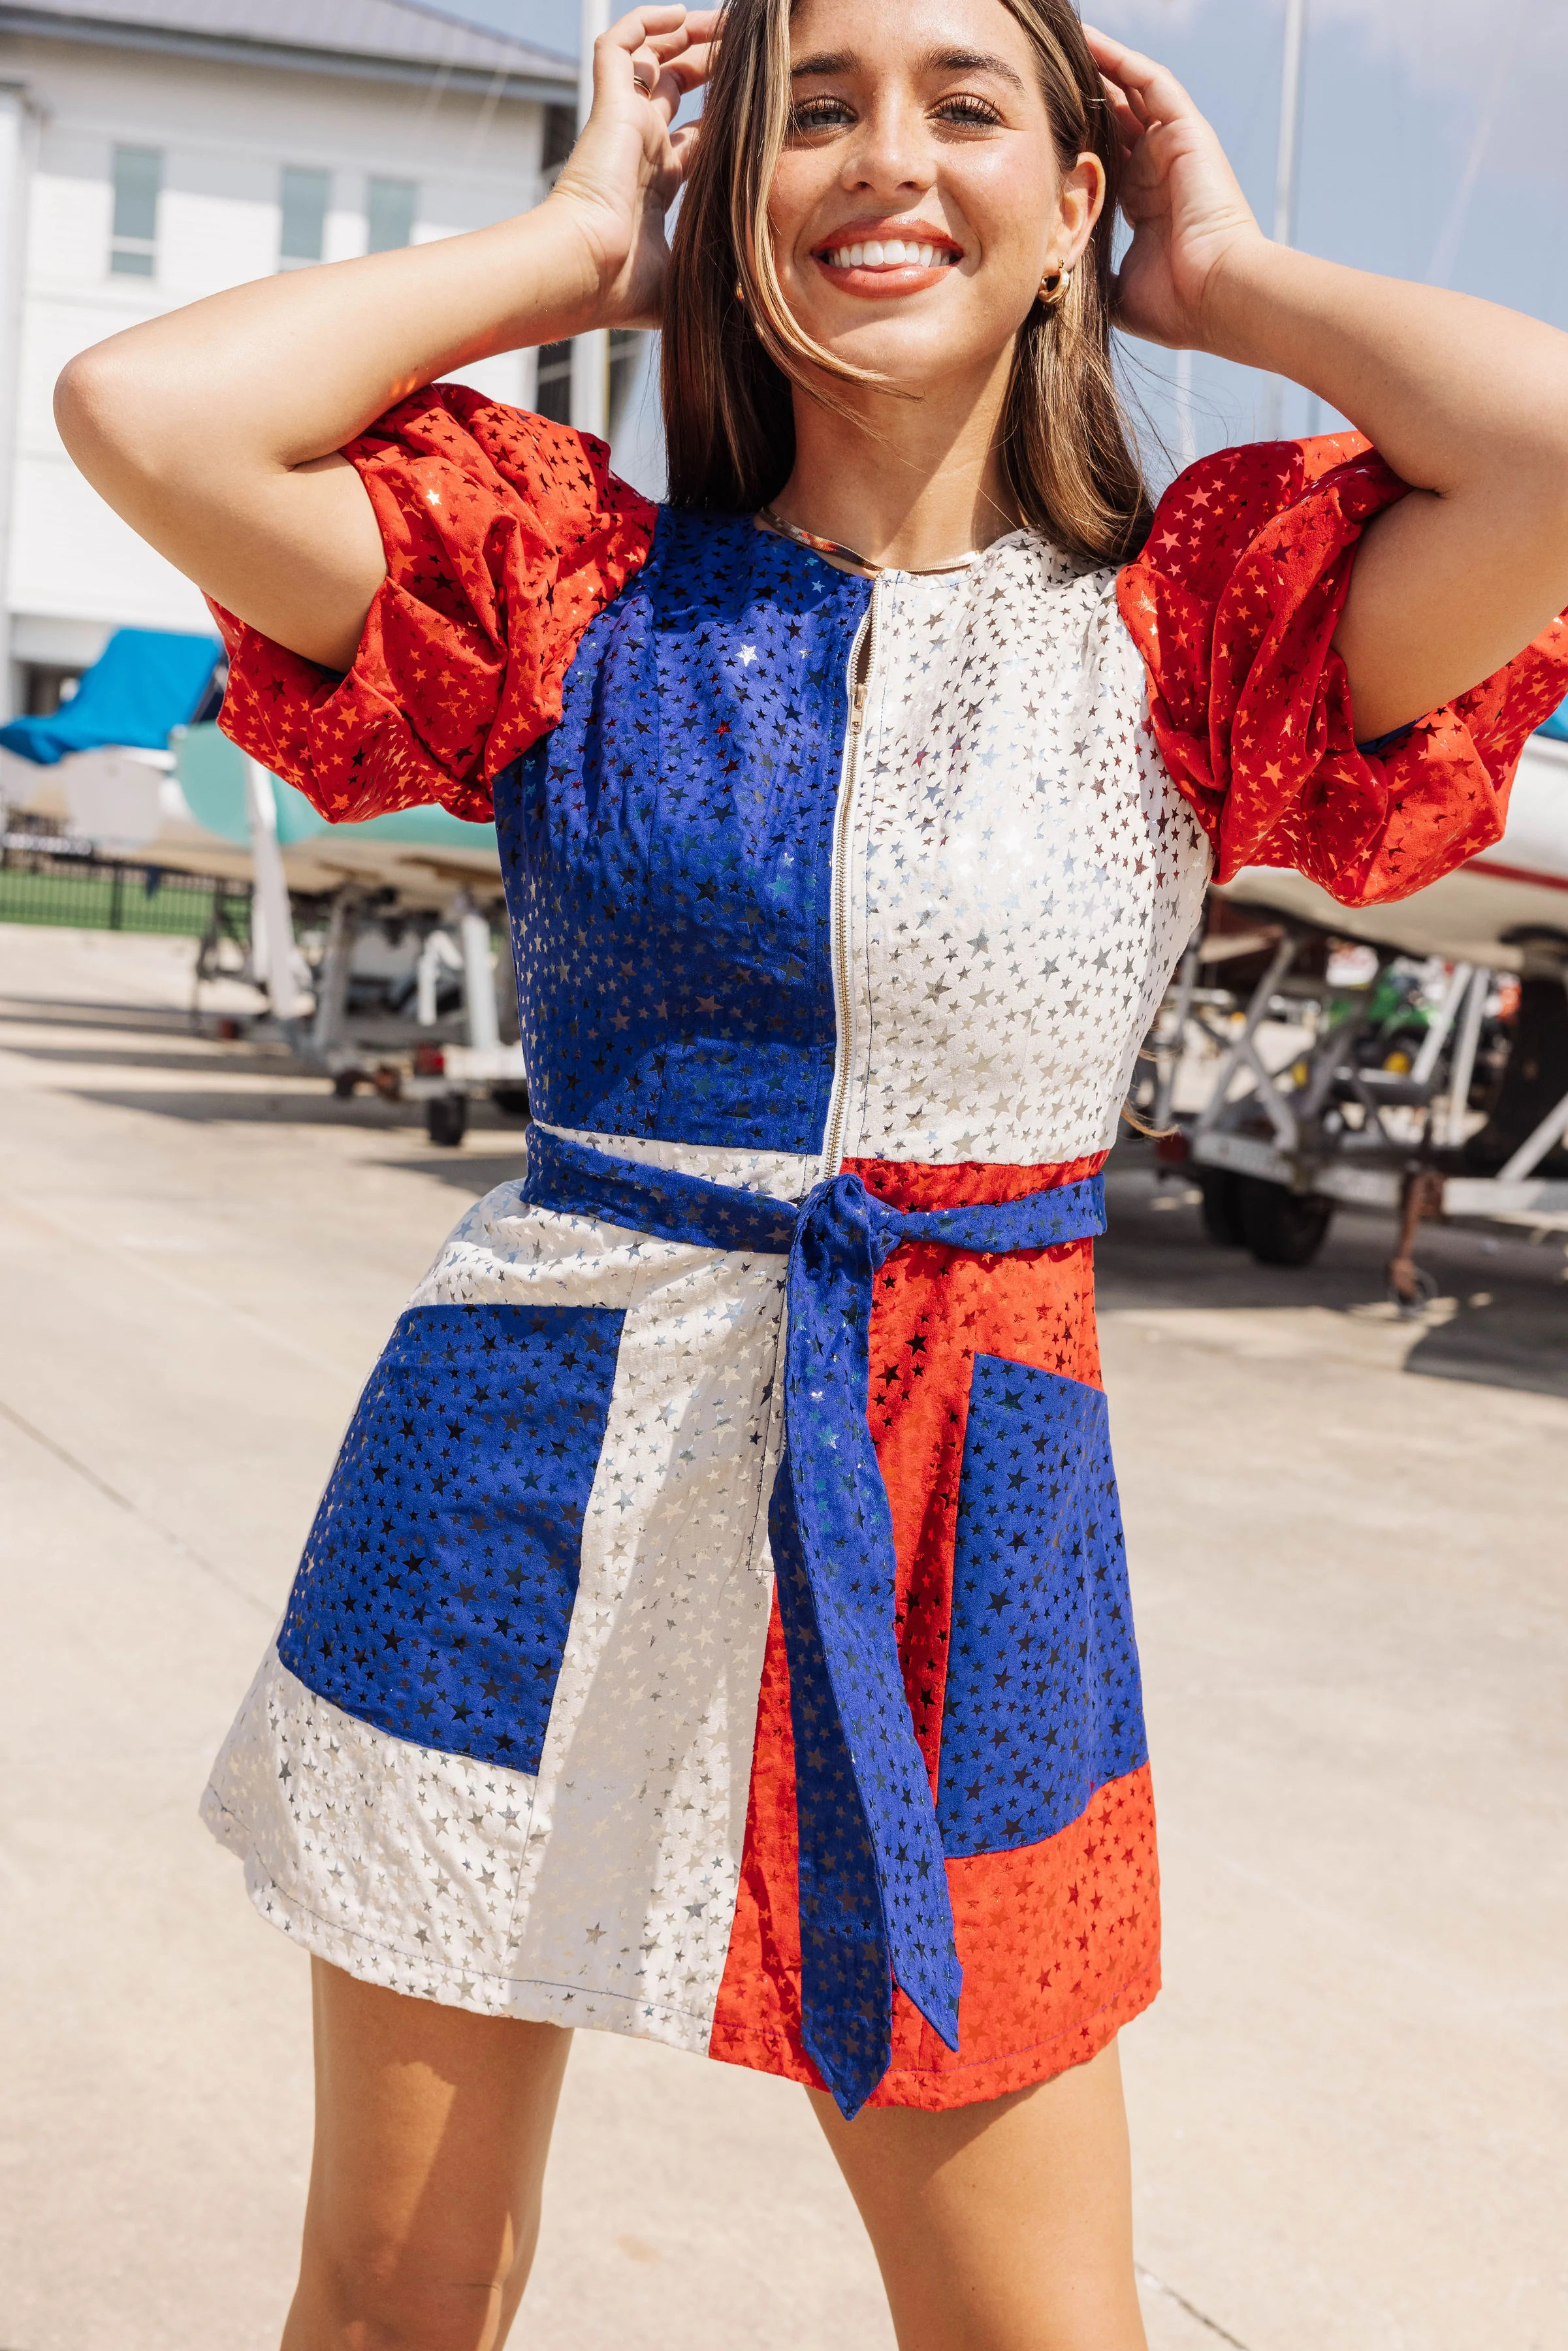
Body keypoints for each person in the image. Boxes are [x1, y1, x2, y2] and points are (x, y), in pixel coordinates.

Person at [57, 3, 1568, 2344]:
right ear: (723, 200)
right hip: (510, 1494)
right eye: (814, 113)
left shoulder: (1194, 624)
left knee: (1030, 2331)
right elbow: (141, 415)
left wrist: (1225, 278)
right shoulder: (567, 592)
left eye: (964, 106)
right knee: (391, 2296)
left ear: (1073, 200)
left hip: (967, 1505)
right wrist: (574, 245)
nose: (883, 161)